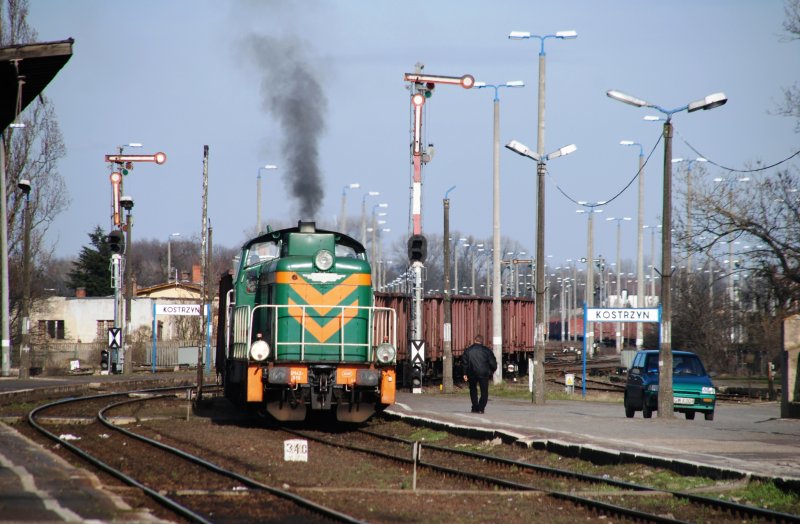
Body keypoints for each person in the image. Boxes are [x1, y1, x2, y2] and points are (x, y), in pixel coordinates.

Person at [461, 334, 497, 414]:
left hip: (472, 372)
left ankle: (475, 407)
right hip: (484, 373)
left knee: (473, 390)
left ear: (474, 340)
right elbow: (493, 363)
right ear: (482, 341)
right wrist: (492, 371)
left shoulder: (468, 350)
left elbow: (464, 363)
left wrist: (464, 374)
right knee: (484, 391)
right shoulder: (487, 351)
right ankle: (481, 408)